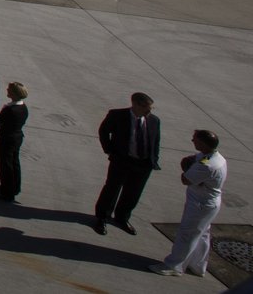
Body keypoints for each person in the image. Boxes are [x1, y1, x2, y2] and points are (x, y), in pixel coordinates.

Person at [151, 130, 228, 276]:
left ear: (203, 143)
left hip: (200, 204)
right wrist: (191, 164)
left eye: (195, 140)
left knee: (187, 234)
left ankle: (174, 266)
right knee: (203, 233)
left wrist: (188, 168)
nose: (192, 141)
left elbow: (185, 179)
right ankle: (198, 265)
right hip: (207, 203)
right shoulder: (213, 157)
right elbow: (193, 159)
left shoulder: (207, 165)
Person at [93, 92, 161, 236]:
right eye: (145, 107)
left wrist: (153, 159)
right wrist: (110, 150)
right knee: (112, 189)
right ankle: (102, 217)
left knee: (133, 193)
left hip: (143, 164)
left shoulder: (154, 120)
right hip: (122, 160)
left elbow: (155, 142)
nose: (148, 111)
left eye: (150, 108)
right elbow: (104, 131)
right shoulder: (117, 115)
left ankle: (122, 218)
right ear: (135, 104)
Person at [0, 82, 29, 202]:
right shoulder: (23, 107)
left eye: (9, 89)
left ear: (14, 93)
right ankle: (14, 187)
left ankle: (6, 192)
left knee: (5, 165)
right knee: (14, 163)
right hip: (17, 138)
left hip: (6, 139)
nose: (7, 90)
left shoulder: (10, 109)